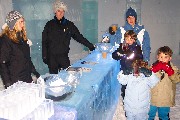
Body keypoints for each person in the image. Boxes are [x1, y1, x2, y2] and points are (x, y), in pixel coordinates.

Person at [42, 0, 95, 74]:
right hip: (52, 57)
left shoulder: (69, 25)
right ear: (55, 11)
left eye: (63, 11)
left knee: (68, 76)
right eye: (59, 11)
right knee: (53, 79)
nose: (61, 13)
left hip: (63, 57)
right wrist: (44, 55)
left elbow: (79, 37)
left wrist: (90, 46)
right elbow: (44, 41)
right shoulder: (49, 25)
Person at [0, 11, 40, 88]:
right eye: (20, 22)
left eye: (23, 22)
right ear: (13, 23)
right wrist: (8, 84)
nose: (23, 24)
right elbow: (2, 64)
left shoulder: (22, 38)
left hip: (27, 78)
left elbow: (27, 59)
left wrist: (35, 72)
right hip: (15, 81)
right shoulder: (5, 40)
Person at [148, 46, 180, 120]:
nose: (163, 59)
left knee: (163, 115)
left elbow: (176, 80)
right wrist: (153, 70)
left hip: (165, 97)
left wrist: (170, 72)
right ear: (157, 57)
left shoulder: (174, 69)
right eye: (161, 57)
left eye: (166, 57)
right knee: (149, 114)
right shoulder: (153, 67)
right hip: (153, 96)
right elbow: (147, 79)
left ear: (170, 58)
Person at [112, 30, 143, 99]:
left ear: (134, 40)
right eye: (126, 39)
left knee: (133, 85)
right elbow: (114, 56)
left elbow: (140, 58)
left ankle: (133, 99)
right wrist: (119, 53)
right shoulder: (122, 46)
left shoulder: (137, 48)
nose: (128, 41)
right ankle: (125, 99)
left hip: (133, 69)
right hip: (124, 69)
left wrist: (131, 53)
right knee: (124, 85)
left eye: (130, 39)